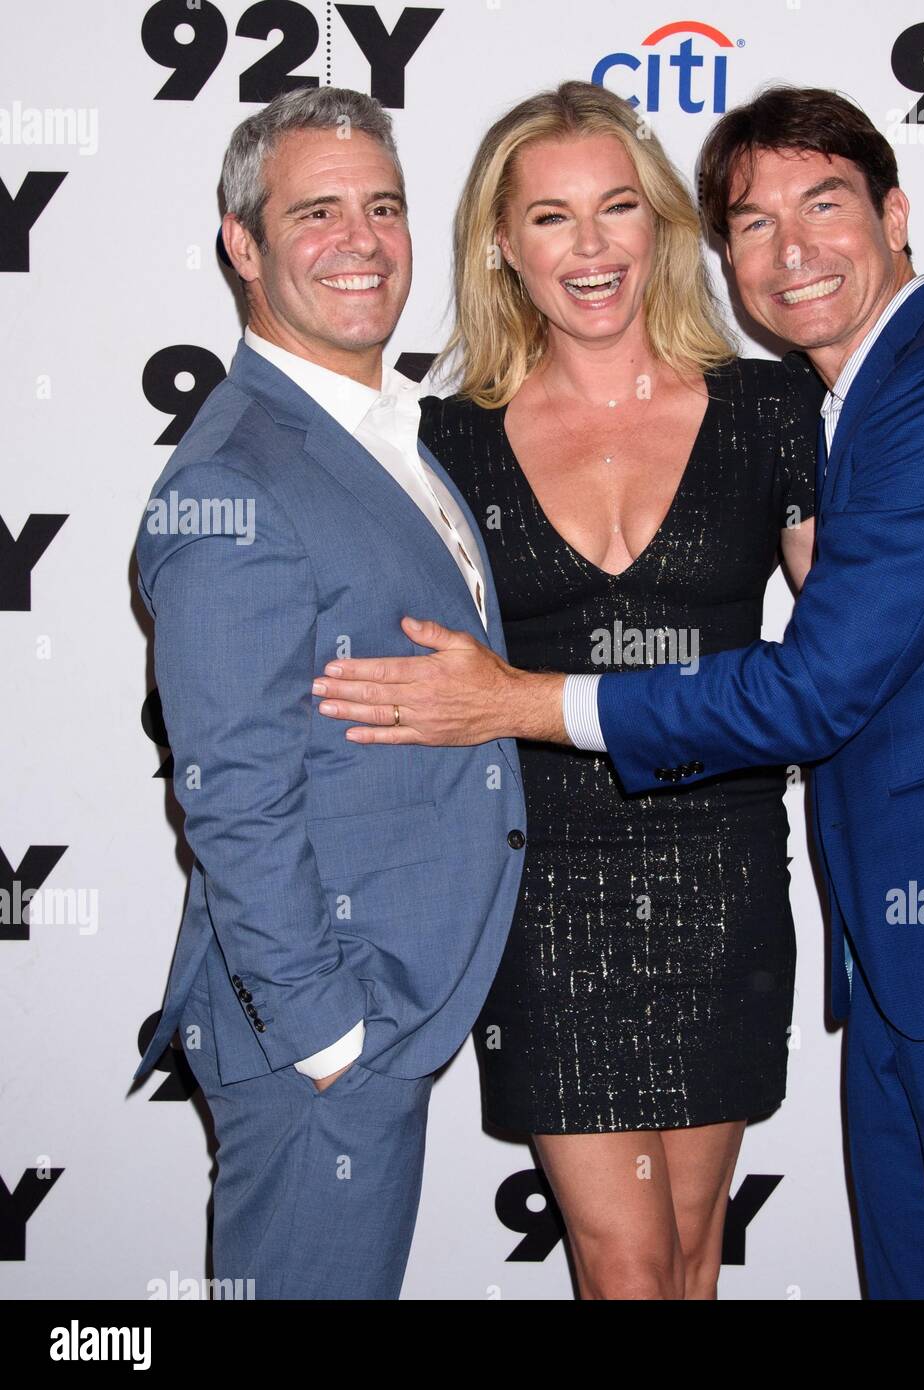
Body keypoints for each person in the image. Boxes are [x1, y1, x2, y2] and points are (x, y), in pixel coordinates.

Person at [312, 85, 924, 1300]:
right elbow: (920, 642)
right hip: (836, 945)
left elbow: (823, 678)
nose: (792, 251)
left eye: (823, 206)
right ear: (502, 242)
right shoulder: (855, 408)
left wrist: (520, 700)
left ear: (896, 213)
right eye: (757, 224)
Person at [418, 82, 814, 1299]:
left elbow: (867, 647)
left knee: (691, 1257)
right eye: (550, 217)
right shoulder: (444, 438)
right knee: (626, 1263)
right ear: (501, 244)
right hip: (548, 890)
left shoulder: (770, 408)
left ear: (661, 227)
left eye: (617, 208)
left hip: (725, 872)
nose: (590, 248)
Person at [131, 87, 525, 1299]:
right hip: (323, 1033)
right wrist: (324, 1033)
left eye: (384, 206)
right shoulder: (237, 478)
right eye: (317, 212)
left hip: (377, 1007)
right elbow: (231, 790)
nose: (362, 239)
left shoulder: (374, 429)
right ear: (243, 246)